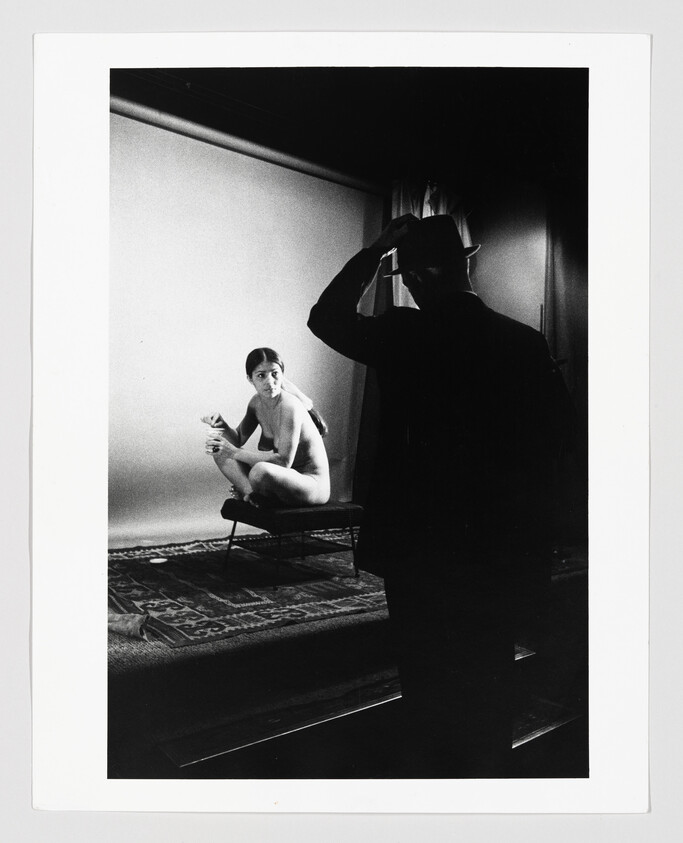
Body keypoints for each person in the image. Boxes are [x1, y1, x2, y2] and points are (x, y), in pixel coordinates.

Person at [308, 214, 573, 777]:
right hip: (496, 548)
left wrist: (374, 252)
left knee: (426, 677)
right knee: (490, 680)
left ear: (416, 278)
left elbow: (324, 318)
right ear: (465, 266)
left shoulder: (403, 334)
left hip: (419, 545)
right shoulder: (523, 341)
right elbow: (559, 442)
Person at [203, 347, 330, 507]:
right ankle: (252, 495)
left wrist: (234, 452)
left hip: (310, 484)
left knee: (259, 471)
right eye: (261, 375)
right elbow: (238, 438)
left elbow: (283, 462)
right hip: (281, 478)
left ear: (282, 375)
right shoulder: (256, 403)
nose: (269, 382)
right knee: (219, 451)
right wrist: (221, 424)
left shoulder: (290, 406)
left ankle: (254, 492)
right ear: (250, 379)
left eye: (275, 374)